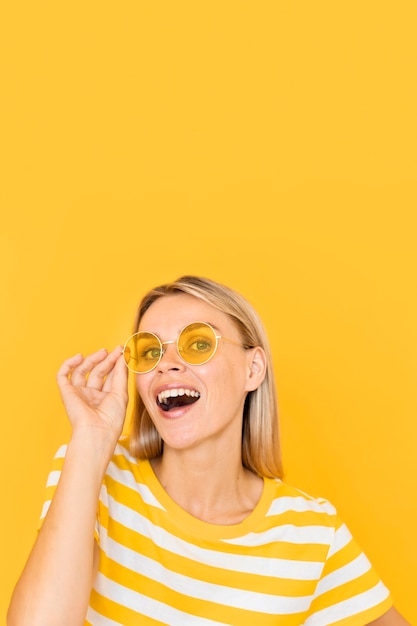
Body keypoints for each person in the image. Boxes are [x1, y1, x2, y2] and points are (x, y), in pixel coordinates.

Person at [7, 275, 409, 626]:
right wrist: (91, 442)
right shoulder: (94, 476)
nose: (166, 364)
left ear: (253, 369)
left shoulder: (312, 533)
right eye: (150, 352)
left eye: (197, 343)